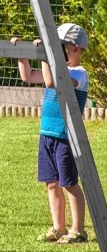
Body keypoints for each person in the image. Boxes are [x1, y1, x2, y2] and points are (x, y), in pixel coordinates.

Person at [11, 23, 89, 244]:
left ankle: (77, 229)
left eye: (59, 46)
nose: (56, 51)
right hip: (47, 134)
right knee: (52, 183)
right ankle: (59, 226)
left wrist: (45, 56)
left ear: (74, 48)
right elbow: (27, 77)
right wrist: (22, 54)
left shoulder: (79, 74)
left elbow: (51, 81)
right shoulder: (57, 68)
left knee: (69, 183)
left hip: (66, 137)